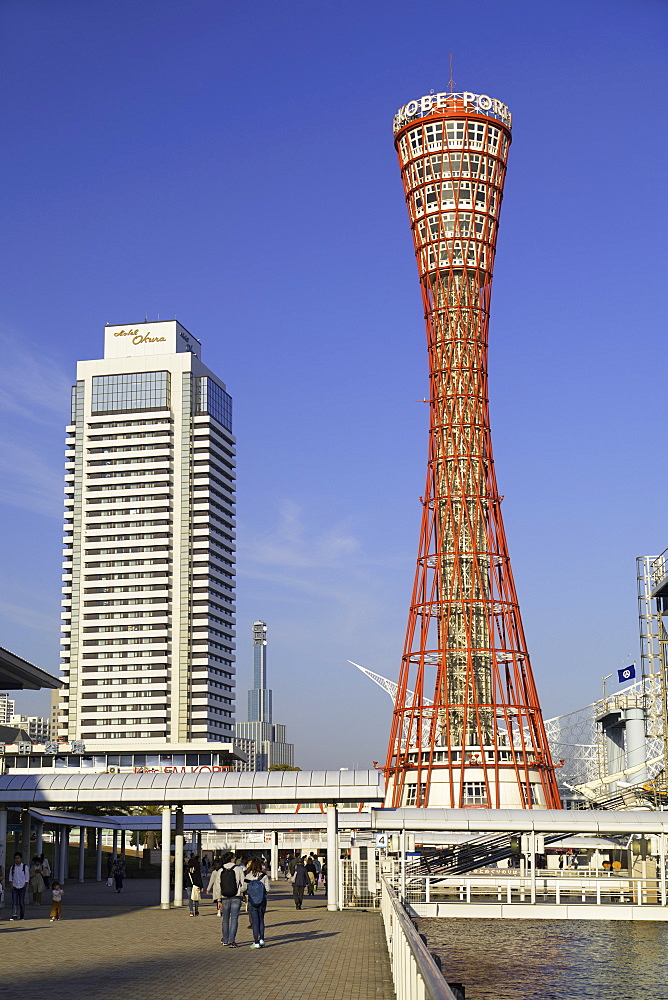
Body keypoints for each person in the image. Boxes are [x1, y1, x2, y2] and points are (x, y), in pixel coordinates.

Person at [216, 852, 245, 947]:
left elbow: (217, 886)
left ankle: (225, 939)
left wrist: (218, 900)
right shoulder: (238, 869)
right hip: (236, 897)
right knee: (234, 919)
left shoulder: (220, 870)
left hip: (224, 898)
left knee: (225, 919)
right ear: (232, 859)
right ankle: (232, 940)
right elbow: (243, 883)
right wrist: (241, 892)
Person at [244, 858, 269, 948]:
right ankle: (262, 939)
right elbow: (268, 889)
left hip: (252, 901)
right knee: (261, 919)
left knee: (255, 921)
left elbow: (244, 888)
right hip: (262, 900)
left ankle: (256, 942)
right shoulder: (264, 876)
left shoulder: (248, 876)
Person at [9, 852, 30, 921]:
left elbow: (27, 876)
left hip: (22, 886)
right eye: (16, 858)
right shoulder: (13, 867)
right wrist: (11, 884)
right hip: (15, 886)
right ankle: (14, 915)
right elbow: (10, 877)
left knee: (21, 902)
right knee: (14, 902)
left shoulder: (24, 867)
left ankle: (22, 915)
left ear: (21, 859)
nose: (17, 860)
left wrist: (25, 883)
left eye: (18, 858)